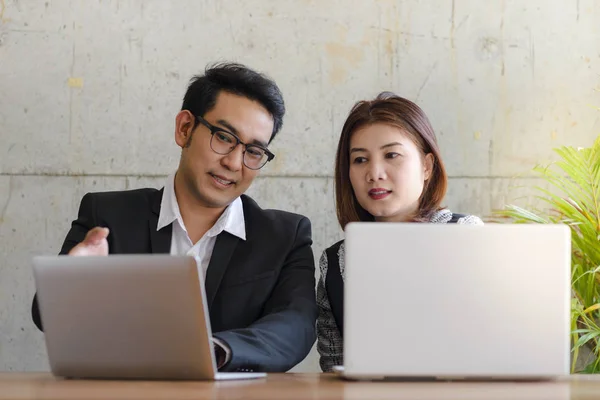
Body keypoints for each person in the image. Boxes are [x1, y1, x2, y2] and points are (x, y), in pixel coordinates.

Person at [31, 62, 318, 373]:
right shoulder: (108, 216)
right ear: (185, 129)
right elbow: (44, 314)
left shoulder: (285, 236)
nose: (235, 163)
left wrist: (215, 351)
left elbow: (296, 326)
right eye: (223, 137)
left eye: (254, 151)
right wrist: (72, 281)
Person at [316, 92, 483, 372]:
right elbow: (335, 368)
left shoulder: (466, 236)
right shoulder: (334, 263)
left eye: (391, 155)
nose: (375, 173)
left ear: (427, 166)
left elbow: (493, 345)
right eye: (359, 160)